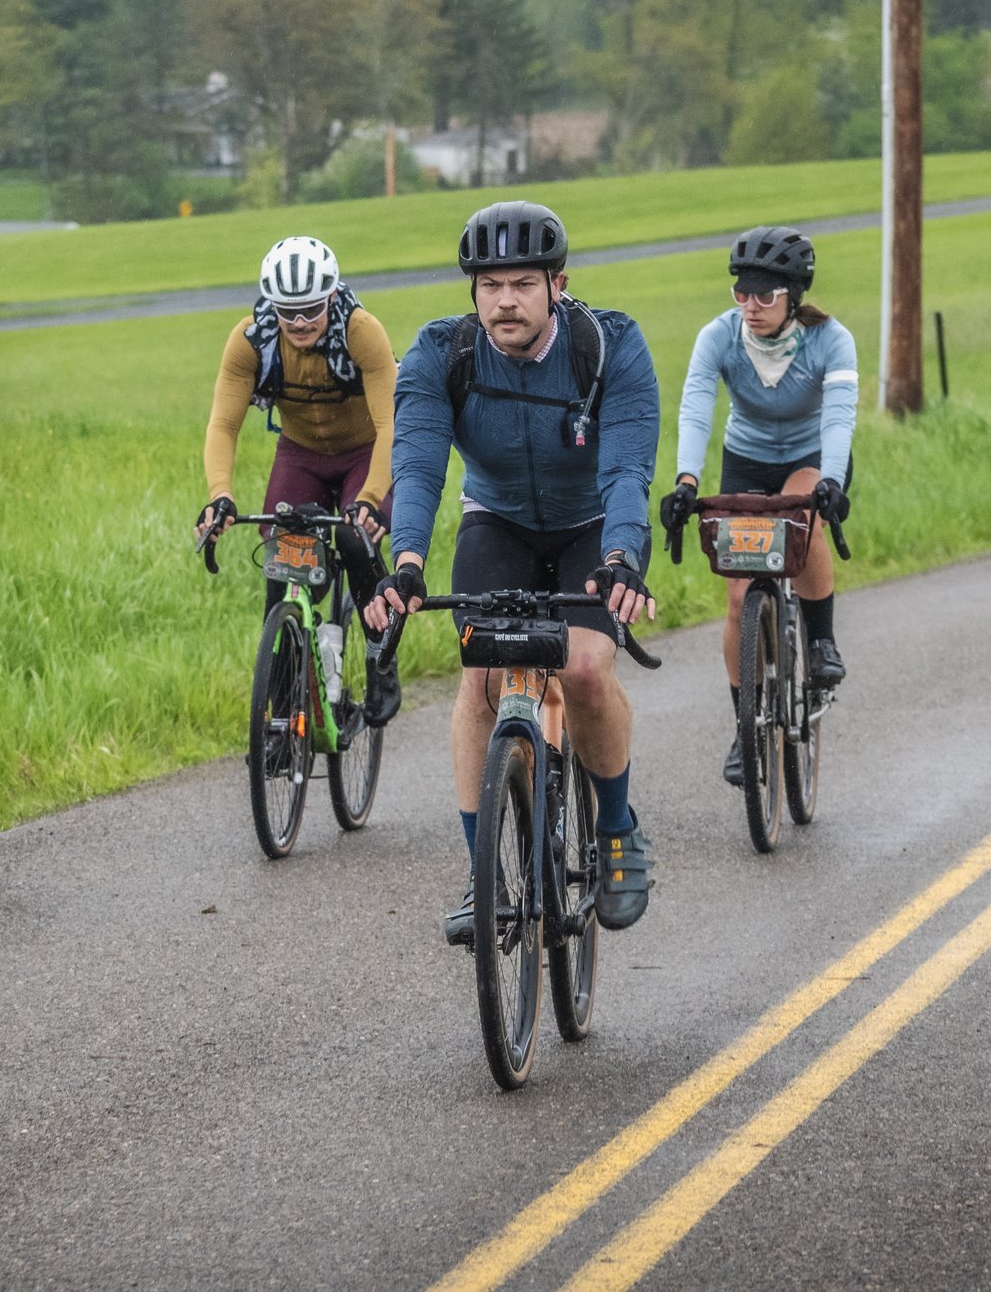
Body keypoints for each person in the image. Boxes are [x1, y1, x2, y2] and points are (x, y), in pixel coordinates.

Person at [364, 201, 662, 946]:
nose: (504, 300)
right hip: (496, 519)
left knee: (587, 668)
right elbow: (420, 463)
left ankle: (617, 830)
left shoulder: (609, 349)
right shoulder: (442, 354)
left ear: (558, 283)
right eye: (490, 283)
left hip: (591, 522)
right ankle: (482, 873)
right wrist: (405, 564)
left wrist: (625, 553)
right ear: (472, 290)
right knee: (480, 677)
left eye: (523, 282)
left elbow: (627, 468)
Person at [657, 227, 857, 785]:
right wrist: (686, 480)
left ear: (794, 295)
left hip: (811, 457)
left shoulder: (831, 340)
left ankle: (820, 641)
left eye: (765, 296)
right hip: (745, 459)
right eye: (741, 293)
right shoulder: (719, 337)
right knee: (740, 591)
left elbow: (839, 414)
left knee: (802, 518)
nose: (751, 306)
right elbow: (696, 405)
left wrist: (833, 480)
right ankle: (747, 729)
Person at [199, 236, 402, 724]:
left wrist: (372, 499)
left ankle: (381, 658)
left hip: (365, 453)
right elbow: (222, 425)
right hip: (302, 455)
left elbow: (391, 425)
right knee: (284, 565)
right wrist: (220, 496)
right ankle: (284, 714)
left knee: (357, 540)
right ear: (272, 305)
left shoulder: (362, 331)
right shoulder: (250, 340)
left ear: (332, 295)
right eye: (288, 311)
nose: (301, 322)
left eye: (311, 308)